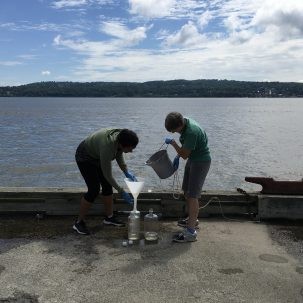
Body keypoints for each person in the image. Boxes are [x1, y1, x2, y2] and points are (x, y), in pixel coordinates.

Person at [73, 128, 138, 235]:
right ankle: (78, 222)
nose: (131, 151)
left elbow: (119, 153)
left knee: (107, 186)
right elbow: (108, 175)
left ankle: (109, 217)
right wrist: (121, 191)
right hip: (85, 156)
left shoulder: (121, 137)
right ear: (122, 144)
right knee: (94, 189)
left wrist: (126, 171)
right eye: (130, 148)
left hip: (97, 154)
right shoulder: (107, 147)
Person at [165, 112, 211, 242]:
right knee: (186, 191)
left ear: (180, 124)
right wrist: (178, 156)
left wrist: (174, 144)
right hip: (193, 159)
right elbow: (186, 152)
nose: (174, 133)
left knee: (193, 196)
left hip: (201, 162)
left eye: (174, 130)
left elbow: (185, 154)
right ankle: (192, 220)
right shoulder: (185, 121)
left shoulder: (191, 132)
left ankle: (191, 233)